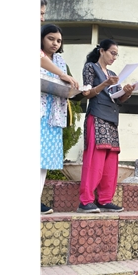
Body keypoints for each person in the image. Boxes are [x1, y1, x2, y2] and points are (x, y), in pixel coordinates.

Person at [78, 39, 134, 213]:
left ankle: (104, 199)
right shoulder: (90, 67)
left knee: (111, 160)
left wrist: (127, 93)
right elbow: (87, 93)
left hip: (112, 118)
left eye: (116, 54)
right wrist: (105, 83)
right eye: (112, 53)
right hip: (97, 115)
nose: (114, 57)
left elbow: (118, 98)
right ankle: (85, 201)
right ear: (102, 51)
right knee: (95, 159)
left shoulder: (113, 73)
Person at [40, 24, 80, 214]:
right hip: (38, 112)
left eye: (59, 41)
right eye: (51, 38)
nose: (55, 43)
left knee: (43, 162)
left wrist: (72, 88)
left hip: (53, 115)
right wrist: (62, 75)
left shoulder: (60, 61)